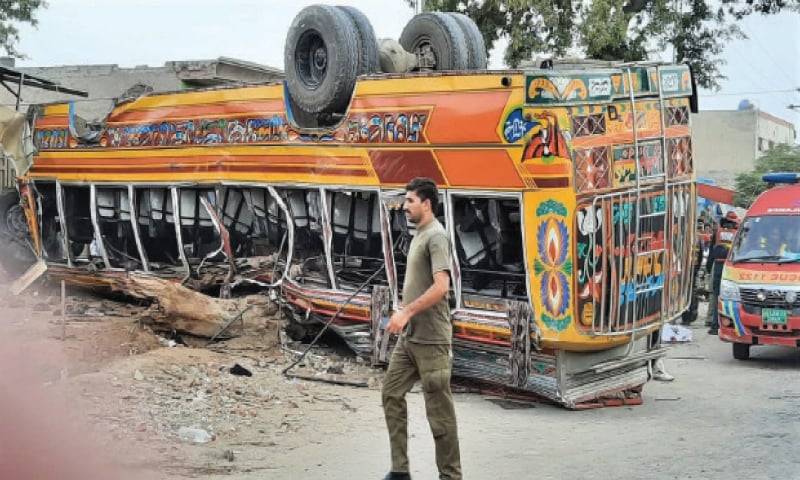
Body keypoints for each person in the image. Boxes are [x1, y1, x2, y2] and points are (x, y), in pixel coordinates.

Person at [381, 177, 461, 480]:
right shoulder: (419, 233)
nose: (404, 206)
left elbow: (442, 287)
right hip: (410, 338)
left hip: (432, 341)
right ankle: (400, 471)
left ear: (426, 204)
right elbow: (419, 284)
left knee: (439, 414)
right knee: (391, 393)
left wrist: (407, 312)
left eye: (410, 200)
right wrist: (402, 311)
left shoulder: (436, 236)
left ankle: (450, 476)